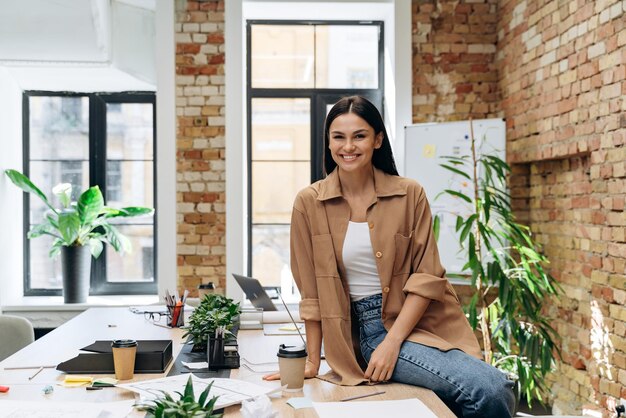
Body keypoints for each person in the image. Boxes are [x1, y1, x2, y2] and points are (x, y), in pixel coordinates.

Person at [263, 96, 515, 417]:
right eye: (338, 137)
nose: (348, 146)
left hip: (417, 323)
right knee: (489, 389)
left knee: (492, 389)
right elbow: (311, 292)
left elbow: (426, 278)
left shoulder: (410, 193)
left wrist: (392, 343)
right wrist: (313, 360)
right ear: (328, 143)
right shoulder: (309, 203)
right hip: (362, 333)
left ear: (377, 140)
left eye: (359, 135)